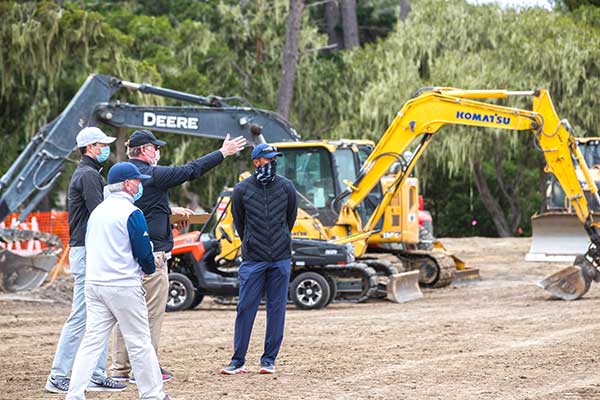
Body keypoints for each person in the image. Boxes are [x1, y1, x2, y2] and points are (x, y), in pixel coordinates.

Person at [111, 129, 247, 382]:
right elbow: (190, 170)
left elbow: (144, 209)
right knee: (151, 314)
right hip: (152, 255)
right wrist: (222, 153)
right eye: (156, 148)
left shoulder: (123, 178)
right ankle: (146, 369)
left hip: (125, 255)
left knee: (127, 314)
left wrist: (169, 214)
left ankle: (120, 369)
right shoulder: (151, 174)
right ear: (145, 150)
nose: (158, 152)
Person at [66, 162, 169, 400]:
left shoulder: (97, 212)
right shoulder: (132, 213)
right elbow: (143, 251)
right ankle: (152, 394)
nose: (141, 184)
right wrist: (149, 268)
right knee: (140, 342)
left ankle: (74, 394)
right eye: (138, 181)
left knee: (91, 342)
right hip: (122, 284)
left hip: (95, 284)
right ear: (128, 184)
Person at [45, 127, 125, 394]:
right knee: (81, 316)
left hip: (88, 249)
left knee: (98, 314)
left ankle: (96, 373)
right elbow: (102, 213)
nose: (106, 149)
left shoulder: (88, 173)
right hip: (87, 251)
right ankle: (58, 375)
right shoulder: (89, 176)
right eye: (103, 144)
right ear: (90, 147)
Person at [220, 143, 297, 375]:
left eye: (275, 159)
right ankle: (238, 360)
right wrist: (251, 242)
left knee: (277, 309)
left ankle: (268, 360)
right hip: (253, 259)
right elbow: (239, 222)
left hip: (280, 258)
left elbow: (289, 219)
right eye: (268, 159)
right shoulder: (241, 190)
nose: (272, 163)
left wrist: (281, 240)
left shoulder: (287, 187)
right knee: (245, 308)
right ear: (256, 162)